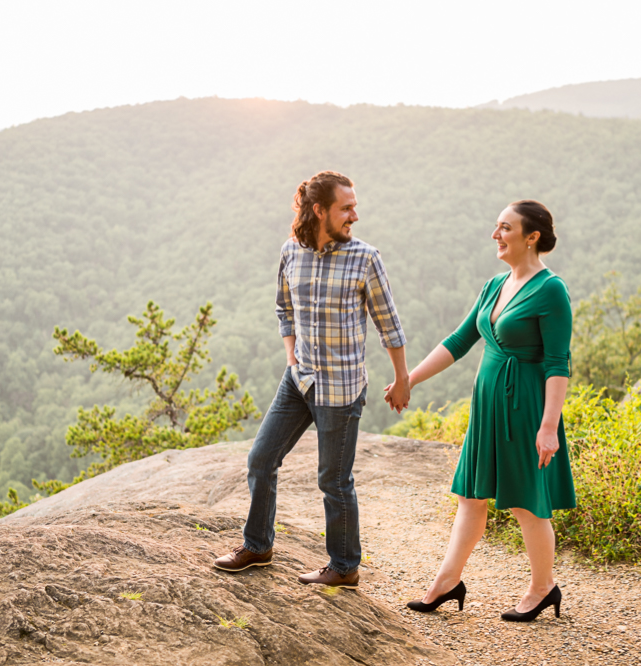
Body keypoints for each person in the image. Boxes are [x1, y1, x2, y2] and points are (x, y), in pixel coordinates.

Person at [214, 171, 411, 589]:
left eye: (354, 207)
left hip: (340, 389)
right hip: (298, 380)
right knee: (261, 459)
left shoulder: (365, 258)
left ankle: (344, 567)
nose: (354, 215)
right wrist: (290, 355)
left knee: (333, 481)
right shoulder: (291, 252)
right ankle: (258, 546)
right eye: (346, 208)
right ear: (319, 210)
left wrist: (402, 379)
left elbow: (388, 325)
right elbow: (283, 309)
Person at [391, 200, 575, 621]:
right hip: (488, 406)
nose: (496, 234)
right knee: (471, 497)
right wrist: (410, 379)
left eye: (505, 227)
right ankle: (446, 582)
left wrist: (549, 427)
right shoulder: (495, 285)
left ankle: (543, 587)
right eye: (496, 226)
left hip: (525, 406)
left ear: (531, 237)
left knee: (526, 502)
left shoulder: (551, 290)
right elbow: (458, 341)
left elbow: (557, 363)